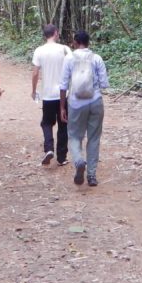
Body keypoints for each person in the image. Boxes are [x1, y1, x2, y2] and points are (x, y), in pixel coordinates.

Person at [60, 30, 109, 187]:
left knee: (74, 136)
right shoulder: (97, 58)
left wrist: (62, 107)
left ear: (74, 42)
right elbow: (104, 84)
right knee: (94, 138)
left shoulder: (69, 58)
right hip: (95, 102)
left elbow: (63, 85)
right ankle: (92, 175)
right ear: (89, 42)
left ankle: (79, 161)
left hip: (75, 103)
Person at [31, 24, 71, 166]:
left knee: (47, 123)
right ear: (55, 33)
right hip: (63, 94)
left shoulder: (39, 51)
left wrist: (34, 90)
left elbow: (35, 73)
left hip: (47, 94)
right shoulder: (65, 49)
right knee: (63, 124)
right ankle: (62, 157)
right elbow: (72, 68)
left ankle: (49, 149)